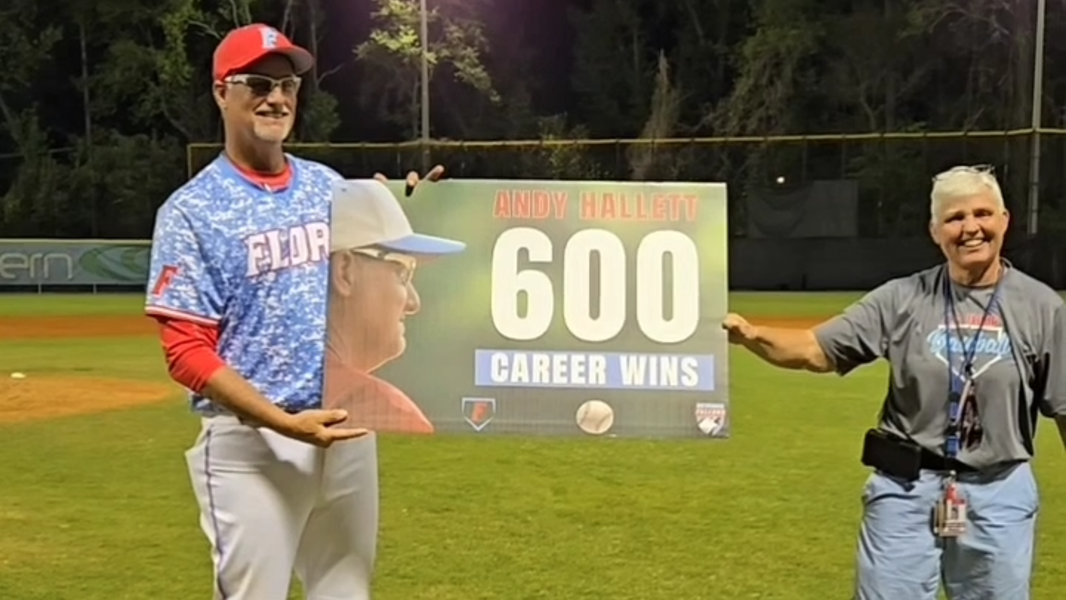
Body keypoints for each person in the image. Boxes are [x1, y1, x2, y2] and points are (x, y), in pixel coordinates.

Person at [143, 23, 443, 600]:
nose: (276, 98)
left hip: (346, 430)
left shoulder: (329, 188)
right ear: (221, 92)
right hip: (252, 444)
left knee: (345, 592)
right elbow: (185, 352)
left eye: (287, 86)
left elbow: (382, 258)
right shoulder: (191, 211)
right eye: (258, 84)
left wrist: (420, 202)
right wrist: (280, 421)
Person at [722, 164, 1066, 600]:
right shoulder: (902, 298)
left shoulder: (1041, 307)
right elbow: (815, 349)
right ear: (935, 231)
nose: (970, 228)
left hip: (999, 494)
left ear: (1004, 220)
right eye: (954, 218)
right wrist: (752, 336)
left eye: (982, 214)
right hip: (905, 491)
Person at [322, 179, 465, 434]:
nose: (413, 302)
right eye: (402, 273)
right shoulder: (379, 410)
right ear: (344, 271)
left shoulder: (251, 382)